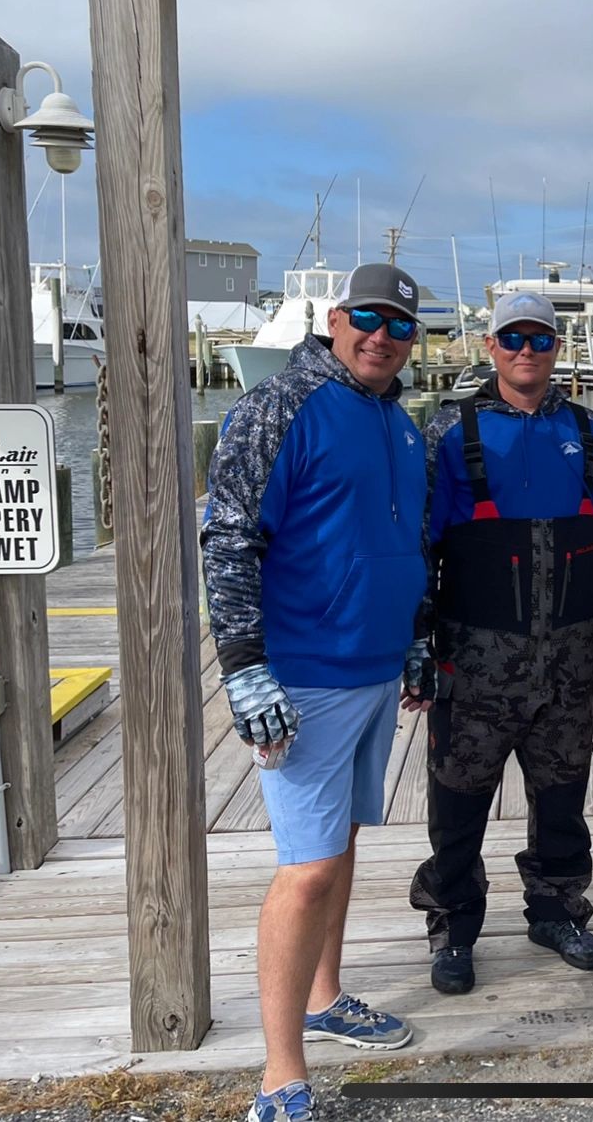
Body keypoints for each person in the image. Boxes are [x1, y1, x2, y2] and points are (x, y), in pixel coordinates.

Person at [202, 263, 432, 1122]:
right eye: (368, 318)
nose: (382, 336)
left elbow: (402, 542)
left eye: (400, 326)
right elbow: (227, 540)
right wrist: (243, 664)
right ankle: (280, 1076)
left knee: (339, 845)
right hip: (303, 675)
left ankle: (323, 995)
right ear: (335, 318)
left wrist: (415, 639)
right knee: (303, 871)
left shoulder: (399, 423)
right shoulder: (277, 406)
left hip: (375, 670)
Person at [410, 291, 593, 996]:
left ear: (557, 347)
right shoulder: (450, 431)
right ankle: (453, 927)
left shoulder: (591, 435)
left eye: (539, 338)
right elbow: (420, 549)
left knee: (563, 796)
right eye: (512, 338)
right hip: (472, 664)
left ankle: (557, 911)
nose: (525, 350)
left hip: (567, 663)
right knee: (458, 804)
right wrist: (417, 644)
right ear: (490, 345)